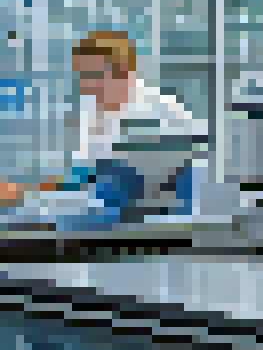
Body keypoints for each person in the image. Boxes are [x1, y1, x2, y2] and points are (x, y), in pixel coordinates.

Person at [0, 31, 207, 224]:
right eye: (82, 75)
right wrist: (24, 191)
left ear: (124, 72)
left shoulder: (160, 111)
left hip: (159, 211)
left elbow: (124, 183)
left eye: (94, 75)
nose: (86, 85)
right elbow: (83, 175)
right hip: (116, 201)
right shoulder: (94, 109)